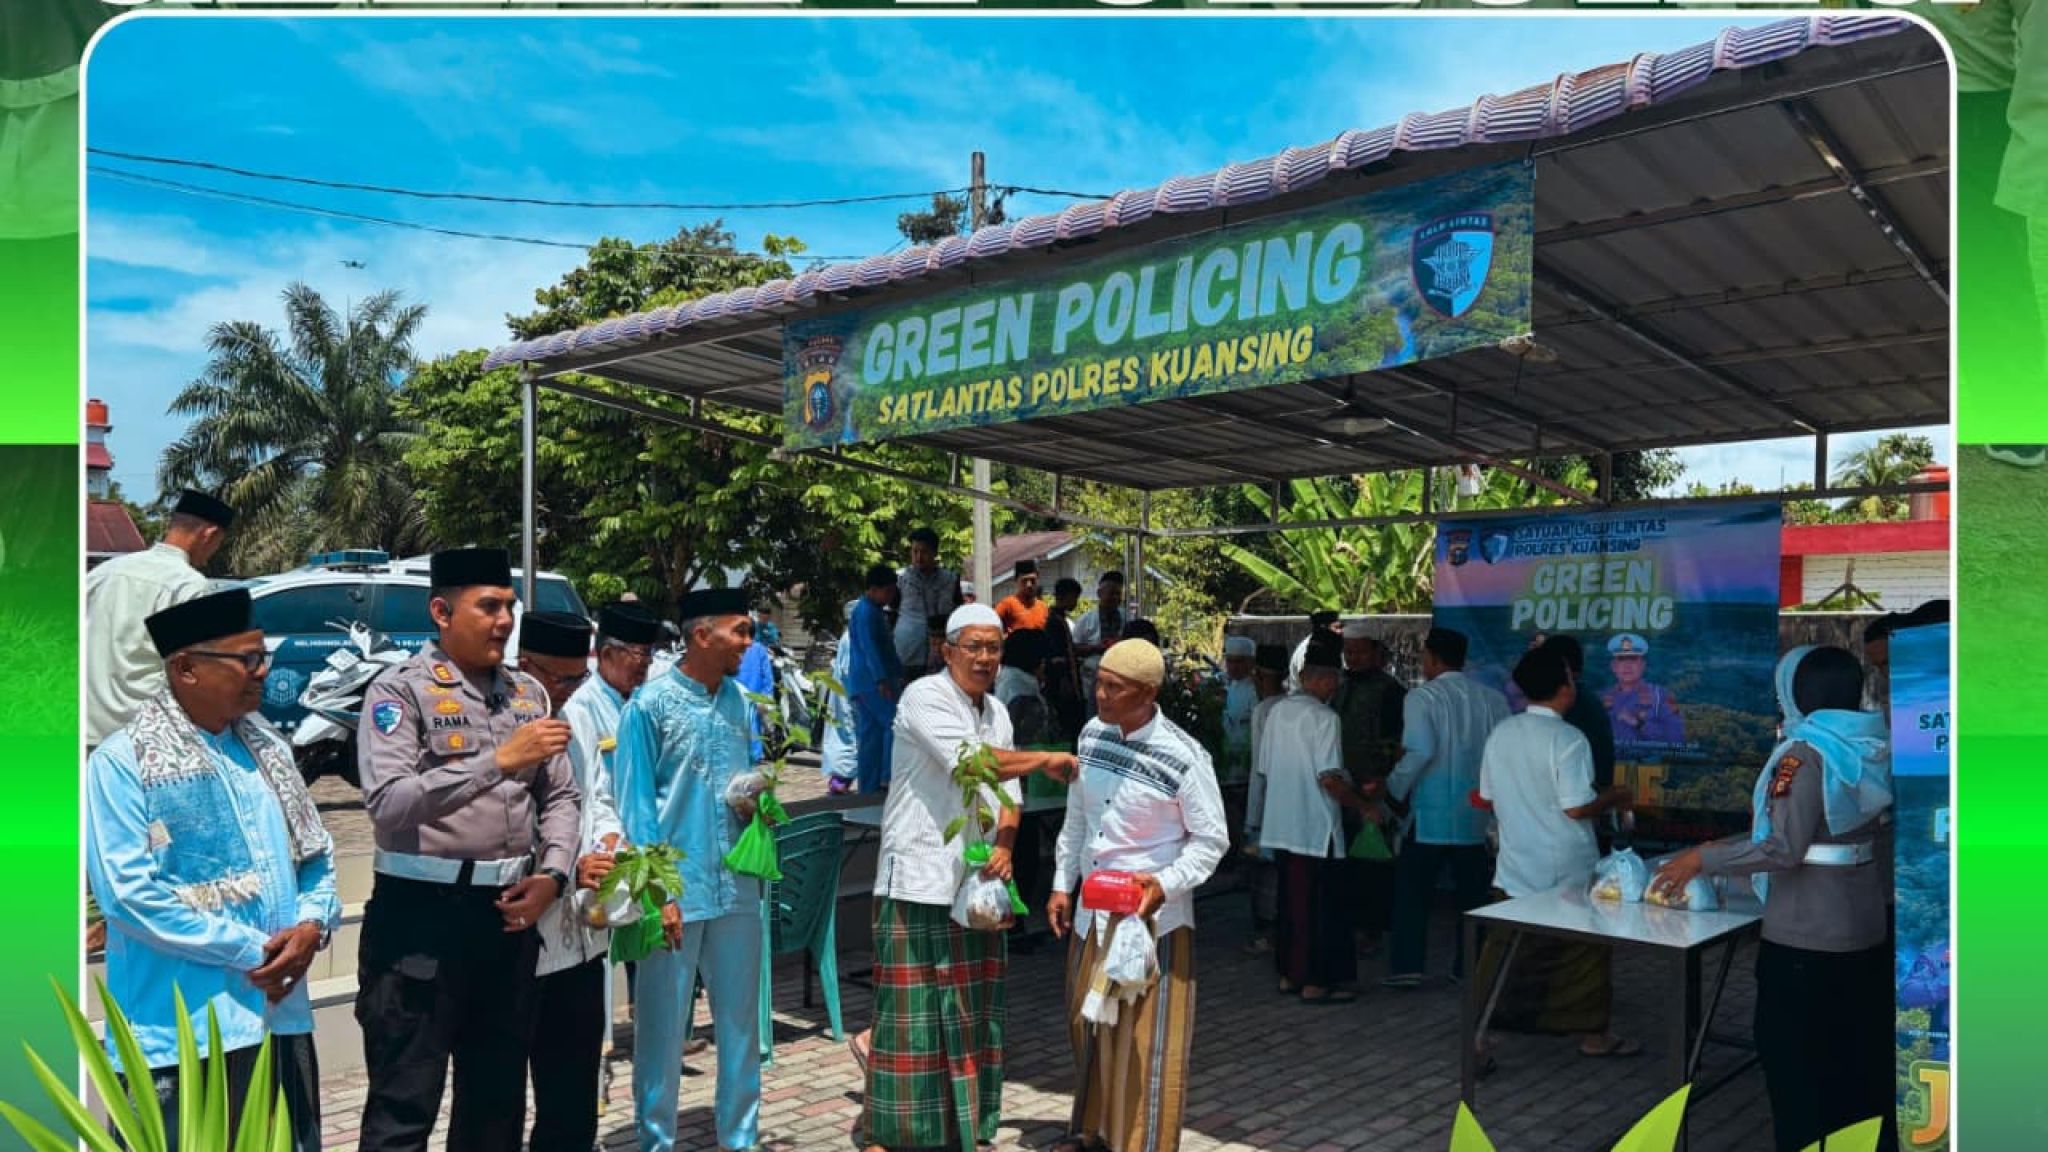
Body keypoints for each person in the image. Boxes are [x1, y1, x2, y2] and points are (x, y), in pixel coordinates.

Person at [85, 588, 338, 1152]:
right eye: (247, 659)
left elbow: (316, 856)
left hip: (278, 1018)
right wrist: (258, 953)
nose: (263, 671)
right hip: (181, 1034)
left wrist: (311, 926)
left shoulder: (268, 748)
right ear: (186, 668)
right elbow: (128, 897)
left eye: (263, 654)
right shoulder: (123, 764)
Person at [355, 548, 582, 1152]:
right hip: (421, 919)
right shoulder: (399, 692)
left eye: (509, 605)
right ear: (441, 611)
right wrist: (497, 761)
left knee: (495, 1104)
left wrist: (553, 875)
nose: (504, 620)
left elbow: (562, 797)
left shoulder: (528, 694)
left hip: (508, 916)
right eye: (488, 606)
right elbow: (390, 804)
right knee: (404, 1104)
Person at [1651, 646, 1895, 1152]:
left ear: (1796, 696)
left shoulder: (1804, 754)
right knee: (1855, 1063)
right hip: (1865, 931)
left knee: (1797, 1067)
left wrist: (1703, 859)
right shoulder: (1874, 745)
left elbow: (1783, 846)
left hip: (1805, 942)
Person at [857, 604, 1078, 1152]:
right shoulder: (923, 697)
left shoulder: (998, 711)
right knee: (913, 1014)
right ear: (947, 651)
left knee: (973, 1011)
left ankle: (965, 1126)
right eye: (973, 647)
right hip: (918, 875)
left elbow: (1008, 796)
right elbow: (974, 763)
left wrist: (1004, 845)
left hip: (976, 886)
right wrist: (1045, 757)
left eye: (993, 648)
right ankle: (893, 1131)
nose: (984, 658)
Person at [1047, 638, 1228, 1152]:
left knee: (1148, 1045)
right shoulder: (1091, 735)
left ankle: (1143, 1143)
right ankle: (1092, 1133)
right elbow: (1078, 818)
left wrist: (1163, 884)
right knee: (1088, 1027)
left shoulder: (1185, 757)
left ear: (1147, 693)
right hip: (1092, 915)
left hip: (1152, 924)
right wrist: (1063, 884)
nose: (1100, 693)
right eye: (1097, 681)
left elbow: (1212, 839)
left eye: (1114, 687)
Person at [613, 588, 770, 1152]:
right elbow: (635, 808)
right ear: (702, 635)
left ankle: (741, 1139)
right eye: (741, 632)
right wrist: (658, 894)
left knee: (739, 1027)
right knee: (661, 1029)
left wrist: (757, 797)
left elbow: (743, 779)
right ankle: (656, 1140)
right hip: (674, 891)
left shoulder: (739, 702)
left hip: (736, 886)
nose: (749, 644)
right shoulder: (648, 706)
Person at [524, 604, 659, 1152]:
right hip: (524, 939)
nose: (568, 690)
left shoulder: (572, 715)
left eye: (575, 678)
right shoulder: (509, 722)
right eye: (557, 679)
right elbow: (497, 826)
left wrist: (606, 843)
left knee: (574, 1087)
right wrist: (562, 866)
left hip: (582, 937)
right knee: (506, 1092)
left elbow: (597, 797)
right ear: (524, 665)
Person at [1473, 646, 1637, 1066]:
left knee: (1506, 947)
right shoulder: (1568, 738)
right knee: (1586, 949)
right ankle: (1592, 1033)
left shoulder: (1502, 733)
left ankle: (1479, 1031)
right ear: (1564, 689)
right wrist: (1615, 796)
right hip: (1566, 860)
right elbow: (1576, 807)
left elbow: (1488, 797)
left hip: (1515, 859)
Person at [1248, 634, 1375, 1003]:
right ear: (1320, 678)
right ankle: (1316, 980)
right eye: (1334, 678)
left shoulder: (1276, 713)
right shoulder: (1325, 718)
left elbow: (1267, 768)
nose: (1336, 686)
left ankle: (1290, 973)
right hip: (1316, 828)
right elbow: (1329, 778)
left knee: (1291, 905)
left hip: (1282, 824)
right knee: (1322, 909)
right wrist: (1362, 805)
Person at [1384, 627, 1509, 989]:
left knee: (1412, 893)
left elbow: (1420, 751)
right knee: (1473, 896)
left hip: (1430, 813)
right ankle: (1470, 967)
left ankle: (1408, 966)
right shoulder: (1493, 699)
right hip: (1476, 813)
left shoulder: (1422, 698)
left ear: (1432, 658)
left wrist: (1393, 788)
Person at [86, 488, 235, 747]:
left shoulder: (104, 573)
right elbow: (193, 671)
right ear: (209, 534)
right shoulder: (188, 586)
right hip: (144, 740)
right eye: (217, 544)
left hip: (86, 733)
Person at [1334, 623, 1406, 955]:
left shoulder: (1390, 690)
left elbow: (1396, 741)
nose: (1354, 658)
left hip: (1372, 788)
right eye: (1349, 652)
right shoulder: (1339, 685)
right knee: (1344, 859)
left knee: (1372, 861)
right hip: (1339, 786)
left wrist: (1381, 780)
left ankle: (1371, 930)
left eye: (1361, 652)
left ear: (1377, 652)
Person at [1241, 644, 1292, 954]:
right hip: (1289, 803)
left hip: (1268, 803)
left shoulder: (1263, 711)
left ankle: (1267, 933)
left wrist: (1252, 816)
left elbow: (1259, 769)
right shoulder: (1291, 707)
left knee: (1265, 875)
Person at [849, 564, 906, 795]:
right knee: (894, 723)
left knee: (870, 733)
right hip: (872, 682)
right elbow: (870, 648)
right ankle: (885, 778)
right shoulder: (866, 612)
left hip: (864, 682)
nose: (891, 596)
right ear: (874, 589)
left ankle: (868, 788)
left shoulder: (870, 610)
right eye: (889, 591)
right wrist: (881, 679)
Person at [896, 526, 964, 680]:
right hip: (907, 655)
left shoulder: (950, 580)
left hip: (941, 656)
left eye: (924, 552)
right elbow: (891, 614)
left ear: (935, 553)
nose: (919, 557)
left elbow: (958, 615)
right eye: (915, 551)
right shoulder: (900, 579)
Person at [1602, 633, 1685, 748]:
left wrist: (1639, 724)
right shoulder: (1600, 698)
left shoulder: (1661, 697)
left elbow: (1676, 740)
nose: (1627, 666)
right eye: (1621, 659)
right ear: (1614, 666)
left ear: (1643, 665)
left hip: (1648, 764)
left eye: (1633, 659)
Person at [1069, 571, 1128, 710]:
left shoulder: (1127, 618)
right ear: (1100, 593)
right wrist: (1097, 648)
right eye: (1111, 593)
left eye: (1118, 594)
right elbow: (1073, 648)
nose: (1115, 598)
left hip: (1120, 680)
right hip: (1092, 682)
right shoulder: (1086, 620)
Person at [823, 598, 863, 795]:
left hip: (849, 697)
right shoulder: (852, 638)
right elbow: (850, 670)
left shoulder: (853, 636)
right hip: (851, 698)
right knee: (849, 739)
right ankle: (839, 784)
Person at [1044, 576, 1087, 740]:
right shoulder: (1054, 622)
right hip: (1063, 685)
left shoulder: (1061, 619)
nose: (1076, 602)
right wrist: (1064, 681)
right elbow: (1056, 657)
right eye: (1074, 598)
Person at [1217, 635, 1259, 785]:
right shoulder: (1223, 686)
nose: (1234, 666)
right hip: (1225, 764)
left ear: (1251, 662)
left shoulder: (1256, 692)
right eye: (1230, 661)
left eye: (1239, 661)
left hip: (1248, 765)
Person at [1287, 610, 1343, 694]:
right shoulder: (1308, 649)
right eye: (1336, 627)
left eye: (1341, 627)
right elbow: (1310, 683)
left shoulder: (1332, 646)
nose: (1340, 631)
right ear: (1324, 628)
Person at [995, 558, 1051, 634]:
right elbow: (992, 627)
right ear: (1016, 580)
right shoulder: (1007, 604)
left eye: (1032, 580)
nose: (1029, 585)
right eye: (1024, 581)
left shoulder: (1043, 607)